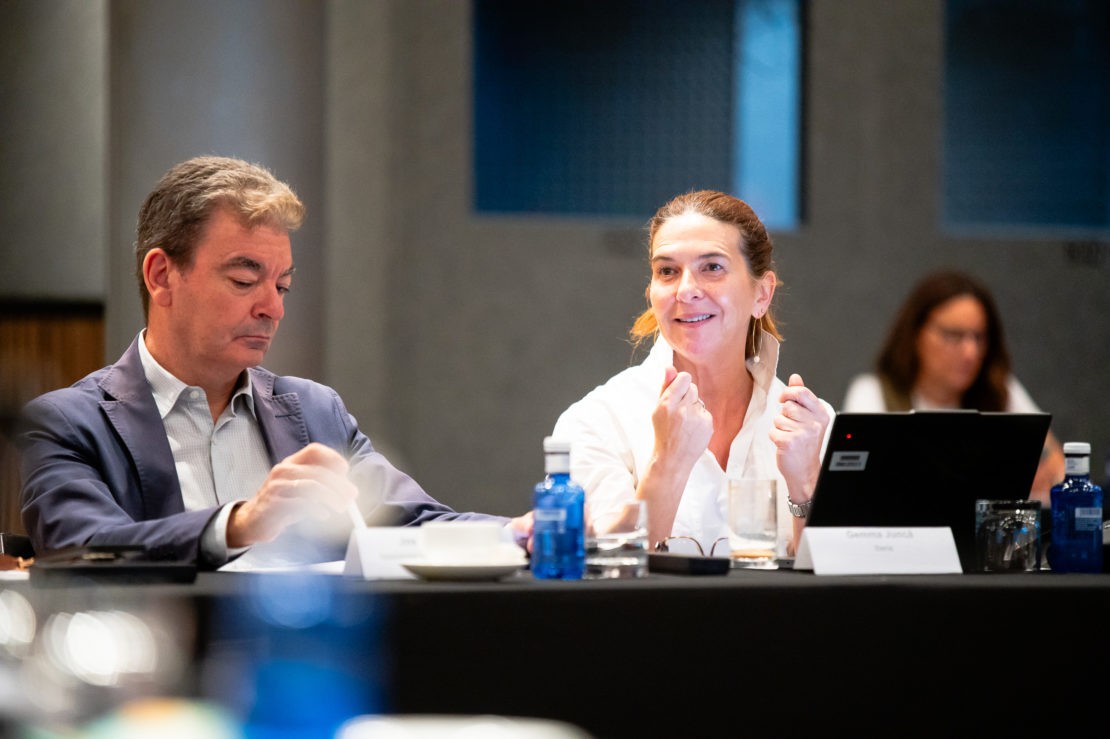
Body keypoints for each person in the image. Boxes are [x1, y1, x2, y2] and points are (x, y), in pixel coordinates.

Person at [17, 155, 529, 568]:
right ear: (161, 276)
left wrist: (520, 532)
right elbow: (85, 546)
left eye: (282, 285)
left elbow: (415, 522)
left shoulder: (314, 412)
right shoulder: (67, 423)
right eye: (244, 281)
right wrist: (239, 523)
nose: (273, 308)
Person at [551, 190, 833, 557]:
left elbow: (842, 584)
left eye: (712, 267)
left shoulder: (815, 429)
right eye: (667, 271)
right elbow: (604, 570)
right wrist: (667, 462)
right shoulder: (597, 421)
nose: (686, 291)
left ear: (762, 295)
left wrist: (806, 483)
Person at [841, 269, 1065, 505]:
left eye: (979, 337)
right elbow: (857, 490)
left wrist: (1043, 472)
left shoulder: (1001, 390)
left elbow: (1058, 471)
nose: (971, 352)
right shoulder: (872, 393)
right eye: (954, 336)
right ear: (916, 334)